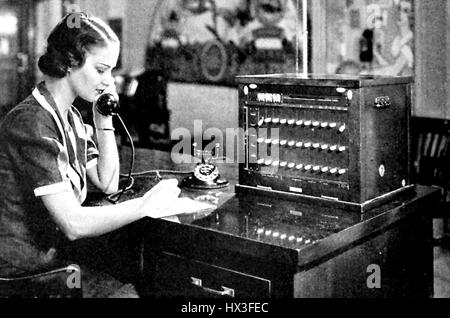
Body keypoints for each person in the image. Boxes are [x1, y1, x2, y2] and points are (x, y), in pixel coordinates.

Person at [0, 12, 181, 281]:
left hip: (55, 255)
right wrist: (145, 205)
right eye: (101, 69)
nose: (109, 80)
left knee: (147, 265)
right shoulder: (30, 123)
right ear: (70, 63)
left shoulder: (69, 116)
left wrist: (102, 119)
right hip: (25, 270)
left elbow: (108, 182)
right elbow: (72, 224)